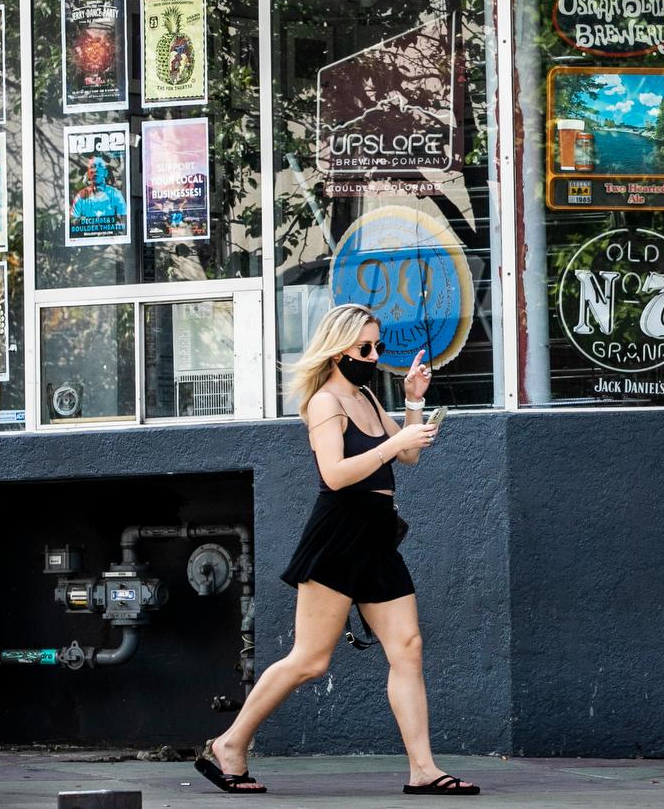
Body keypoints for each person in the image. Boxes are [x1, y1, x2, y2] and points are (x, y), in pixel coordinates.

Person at [195, 305, 479, 796]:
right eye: (364, 347)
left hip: (376, 536)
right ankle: (229, 744)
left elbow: (407, 453)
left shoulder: (367, 394)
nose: (372, 356)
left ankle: (424, 770)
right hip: (340, 533)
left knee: (407, 648)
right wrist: (396, 443)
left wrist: (413, 402)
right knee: (310, 659)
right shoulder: (327, 402)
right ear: (338, 348)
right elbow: (335, 474)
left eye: (378, 347)